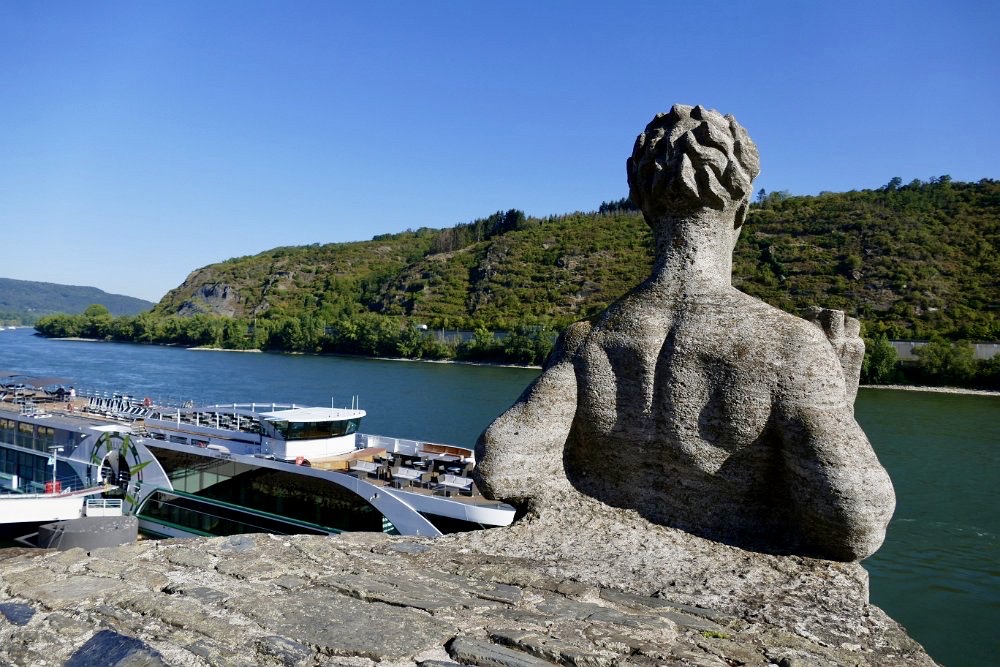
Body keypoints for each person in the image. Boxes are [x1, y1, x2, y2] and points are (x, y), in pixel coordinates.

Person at [475, 105, 895, 560]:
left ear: (644, 208)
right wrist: (834, 392)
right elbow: (854, 521)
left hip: (590, 559)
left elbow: (504, 466)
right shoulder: (790, 345)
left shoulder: (586, 340)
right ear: (742, 210)